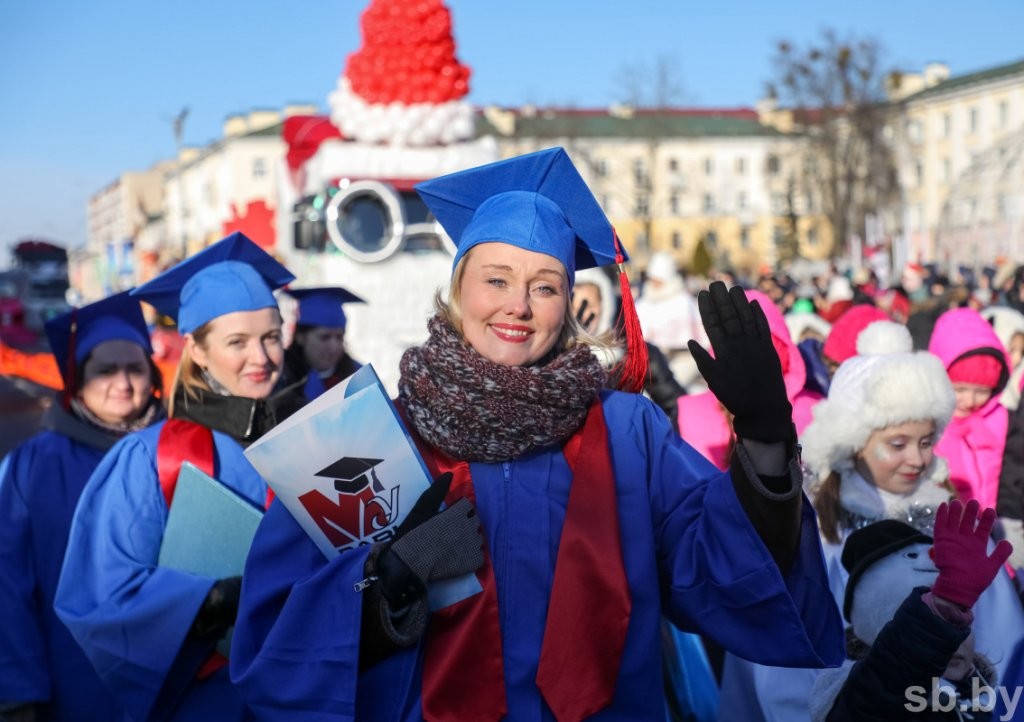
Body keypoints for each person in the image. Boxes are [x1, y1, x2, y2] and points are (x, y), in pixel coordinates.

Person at [230, 147, 844, 720]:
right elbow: (275, 633)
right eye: (496, 279)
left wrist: (764, 435)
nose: (518, 305)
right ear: (457, 290)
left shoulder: (628, 435)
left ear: (571, 305)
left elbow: (721, 567)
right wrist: (384, 582)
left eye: (545, 286)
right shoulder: (367, 437)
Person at [719, 320, 1024, 720]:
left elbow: (1006, 650)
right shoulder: (813, 534)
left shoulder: (954, 527)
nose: (917, 458)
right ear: (853, 443)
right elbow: (783, 670)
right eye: (897, 444)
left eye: (927, 441)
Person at [53, 232, 295, 721]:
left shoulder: (311, 438)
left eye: (271, 336)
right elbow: (101, 597)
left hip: (301, 695)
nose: (262, 357)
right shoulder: (148, 459)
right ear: (197, 350)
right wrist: (208, 602)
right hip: (204, 702)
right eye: (237, 342)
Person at [0, 292, 165, 722]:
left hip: (172, 686)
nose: (123, 383)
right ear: (77, 379)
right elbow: (7, 586)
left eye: (135, 368)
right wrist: (18, 693)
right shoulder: (32, 465)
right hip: (70, 685)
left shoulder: (183, 452)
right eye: (105, 370)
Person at [811, 505, 1011, 721]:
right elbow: (890, 678)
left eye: (960, 622)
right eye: (937, 626)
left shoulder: (976, 697)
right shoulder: (867, 699)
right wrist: (943, 605)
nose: (952, 640)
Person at [572, 266, 686, 426]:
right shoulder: (556, 359)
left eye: (589, 305)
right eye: (573, 307)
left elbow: (678, 406)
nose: (582, 314)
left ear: (605, 305)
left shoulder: (636, 354)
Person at [282, 286, 366, 404]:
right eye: (324, 337)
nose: (334, 347)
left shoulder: (359, 377)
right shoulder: (281, 380)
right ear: (300, 337)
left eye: (339, 337)